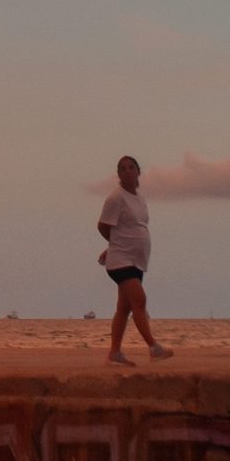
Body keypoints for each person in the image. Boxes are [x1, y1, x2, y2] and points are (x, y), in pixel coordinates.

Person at [97, 155, 173, 364]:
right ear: (118, 175)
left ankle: (114, 353)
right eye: (122, 169)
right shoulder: (116, 198)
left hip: (136, 261)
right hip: (121, 261)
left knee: (124, 308)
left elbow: (129, 228)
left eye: (131, 167)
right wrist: (113, 246)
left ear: (138, 171)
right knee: (139, 301)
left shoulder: (138, 198)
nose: (127, 171)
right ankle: (153, 347)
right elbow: (104, 226)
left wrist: (110, 246)